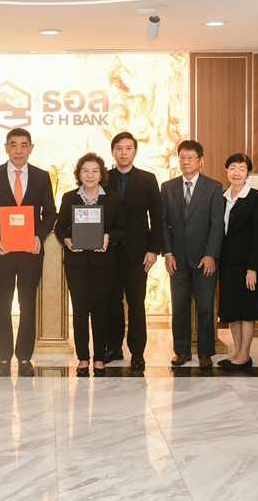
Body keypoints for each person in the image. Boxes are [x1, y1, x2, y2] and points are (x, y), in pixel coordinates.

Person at [0, 127, 57, 377]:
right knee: (2, 305)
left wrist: (38, 236)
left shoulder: (41, 177)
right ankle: (3, 358)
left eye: (24, 145)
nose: (19, 150)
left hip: (30, 253)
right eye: (13, 145)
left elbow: (50, 213)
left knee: (27, 304)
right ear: (6, 148)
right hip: (1, 252)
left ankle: (24, 358)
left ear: (31, 148)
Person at [55, 153, 126, 376]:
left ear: (101, 174)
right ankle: (83, 358)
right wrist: (67, 240)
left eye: (95, 171)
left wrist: (108, 237)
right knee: (80, 309)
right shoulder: (69, 198)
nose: (90, 175)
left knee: (101, 309)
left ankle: (100, 358)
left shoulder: (112, 199)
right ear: (79, 174)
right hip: (76, 263)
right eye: (85, 171)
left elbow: (122, 228)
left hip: (103, 263)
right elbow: (60, 227)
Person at [161, 140, 224, 368]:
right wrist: (168, 252)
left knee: (206, 307)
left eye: (190, 158)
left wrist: (211, 254)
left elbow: (217, 225)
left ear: (200, 160)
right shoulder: (168, 187)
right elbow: (163, 222)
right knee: (180, 307)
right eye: (182, 157)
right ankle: (182, 351)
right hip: (177, 259)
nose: (186, 162)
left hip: (205, 259)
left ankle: (205, 352)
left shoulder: (214, 187)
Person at [105, 132, 162, 370]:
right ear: (113, 152)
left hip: (138, 253)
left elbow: (157, 217)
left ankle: (137, 352)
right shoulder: (104, 178)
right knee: (112, 302)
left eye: (128, 148)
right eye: (119, 148)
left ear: (135, 152)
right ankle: (114, 347)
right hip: (108, 252)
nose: (124, 152)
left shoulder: (148, 179)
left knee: (136, 303)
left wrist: (153, 249)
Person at [216, 154, 258, 371]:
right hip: (227, 264)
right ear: (227, 170)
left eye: (242, 169)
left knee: (246, 310)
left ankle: (244, 356)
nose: (237, 173)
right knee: (232, 310)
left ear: (248, 173)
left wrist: (253, 268)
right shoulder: (222, 197)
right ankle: (237, 353)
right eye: (233, 168)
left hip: (246, 265)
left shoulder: (256, 198)